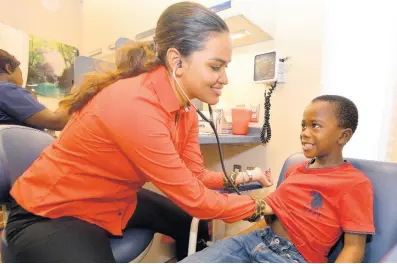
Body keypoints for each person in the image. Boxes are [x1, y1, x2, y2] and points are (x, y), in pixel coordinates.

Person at [5, 2, 274, 262]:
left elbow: (196, 177)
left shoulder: (186, 110)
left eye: (226, 66)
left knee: (194, 223)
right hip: (52, 212)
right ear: (176, 61)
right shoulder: (136, 104)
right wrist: (260, 207)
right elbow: (195, 198)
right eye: (216, 66)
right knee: (195, 211)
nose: (224, 78)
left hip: (110, 197)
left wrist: (244, 177)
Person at [181, 95, 375, 263]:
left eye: (315, 126)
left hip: (293, 257)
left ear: (343, 136)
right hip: (256, 240)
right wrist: (234, 240)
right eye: (303, 125)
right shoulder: (294, 170)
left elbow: (354, 248)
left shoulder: (354, 184)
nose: (305, 132)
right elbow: (272, 218)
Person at [0, 49, 69, 130]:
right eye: (19, 68)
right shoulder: (6, 89)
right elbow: (57, 122)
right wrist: (75, 96)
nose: (21, 72)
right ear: (8, 68)